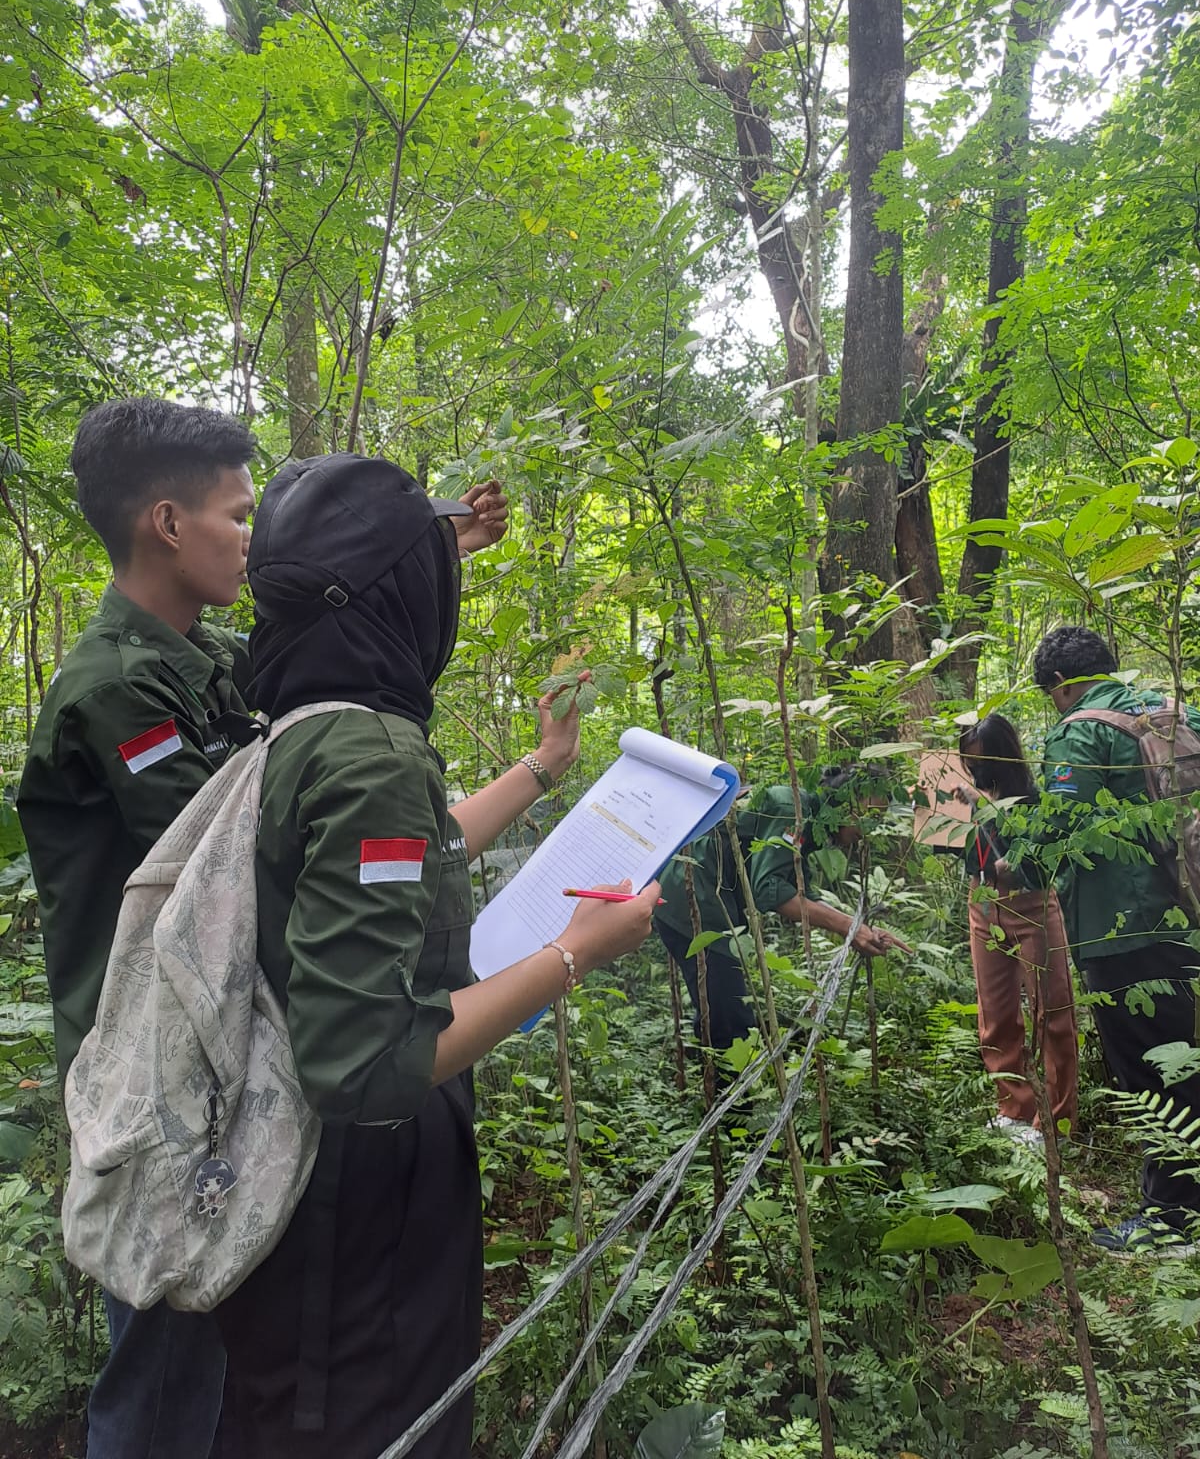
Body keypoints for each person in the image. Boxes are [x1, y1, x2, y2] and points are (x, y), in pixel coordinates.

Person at [16, 397, 510, 1459]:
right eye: (241, 517)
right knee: (167, 1362)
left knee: (228, 1366)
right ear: (166, 522)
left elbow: (315, 636)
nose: (256, 542)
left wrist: (423, 551)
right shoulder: (119, 693)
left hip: (235, 1056)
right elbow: (230, 859)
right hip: (165, 1076)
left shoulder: (200, 657)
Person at [213, 452, 658, 1458]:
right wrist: (576, 955)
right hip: (355, 1219)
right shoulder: (368, 751)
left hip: (302, 1196)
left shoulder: (310, 725)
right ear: (396, 595)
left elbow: (406, 860)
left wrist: (541, 769)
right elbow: (363, 1061)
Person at [1031, 625, 1200, 1255]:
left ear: (1060, 684)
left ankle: (1171, 1220)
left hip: (1120, 928)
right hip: (1185, 911)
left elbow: (1060, 831)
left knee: (1152, 1073)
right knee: (1183, 1051)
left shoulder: (1080, 729)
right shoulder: (1175, 709)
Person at [654, 772, 911, 1051]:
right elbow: (770, 890)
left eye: (878, 817)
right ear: (842, 803)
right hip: (693, 899)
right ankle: (724, 1088)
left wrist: (860, 930)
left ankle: (712, 1072)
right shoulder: (792, 810)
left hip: (710, 904)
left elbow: (799, 891)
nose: (869, 826)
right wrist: (849, 927)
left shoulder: (811, 823)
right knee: (728, 1016)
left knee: (721, 1004)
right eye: (866, 813)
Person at [955, 714, 1078, 1151]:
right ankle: (1014, 1109)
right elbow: (953, 847)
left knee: (1053, 1012)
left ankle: (1057, 1123)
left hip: (1031, 905)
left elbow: (1028, 859)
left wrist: (983, 806)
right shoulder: (965, 790)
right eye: (967, 759)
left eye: (979, 758)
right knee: (996, 1013)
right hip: (982, 902)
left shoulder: (1029, 798)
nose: (973, 768)